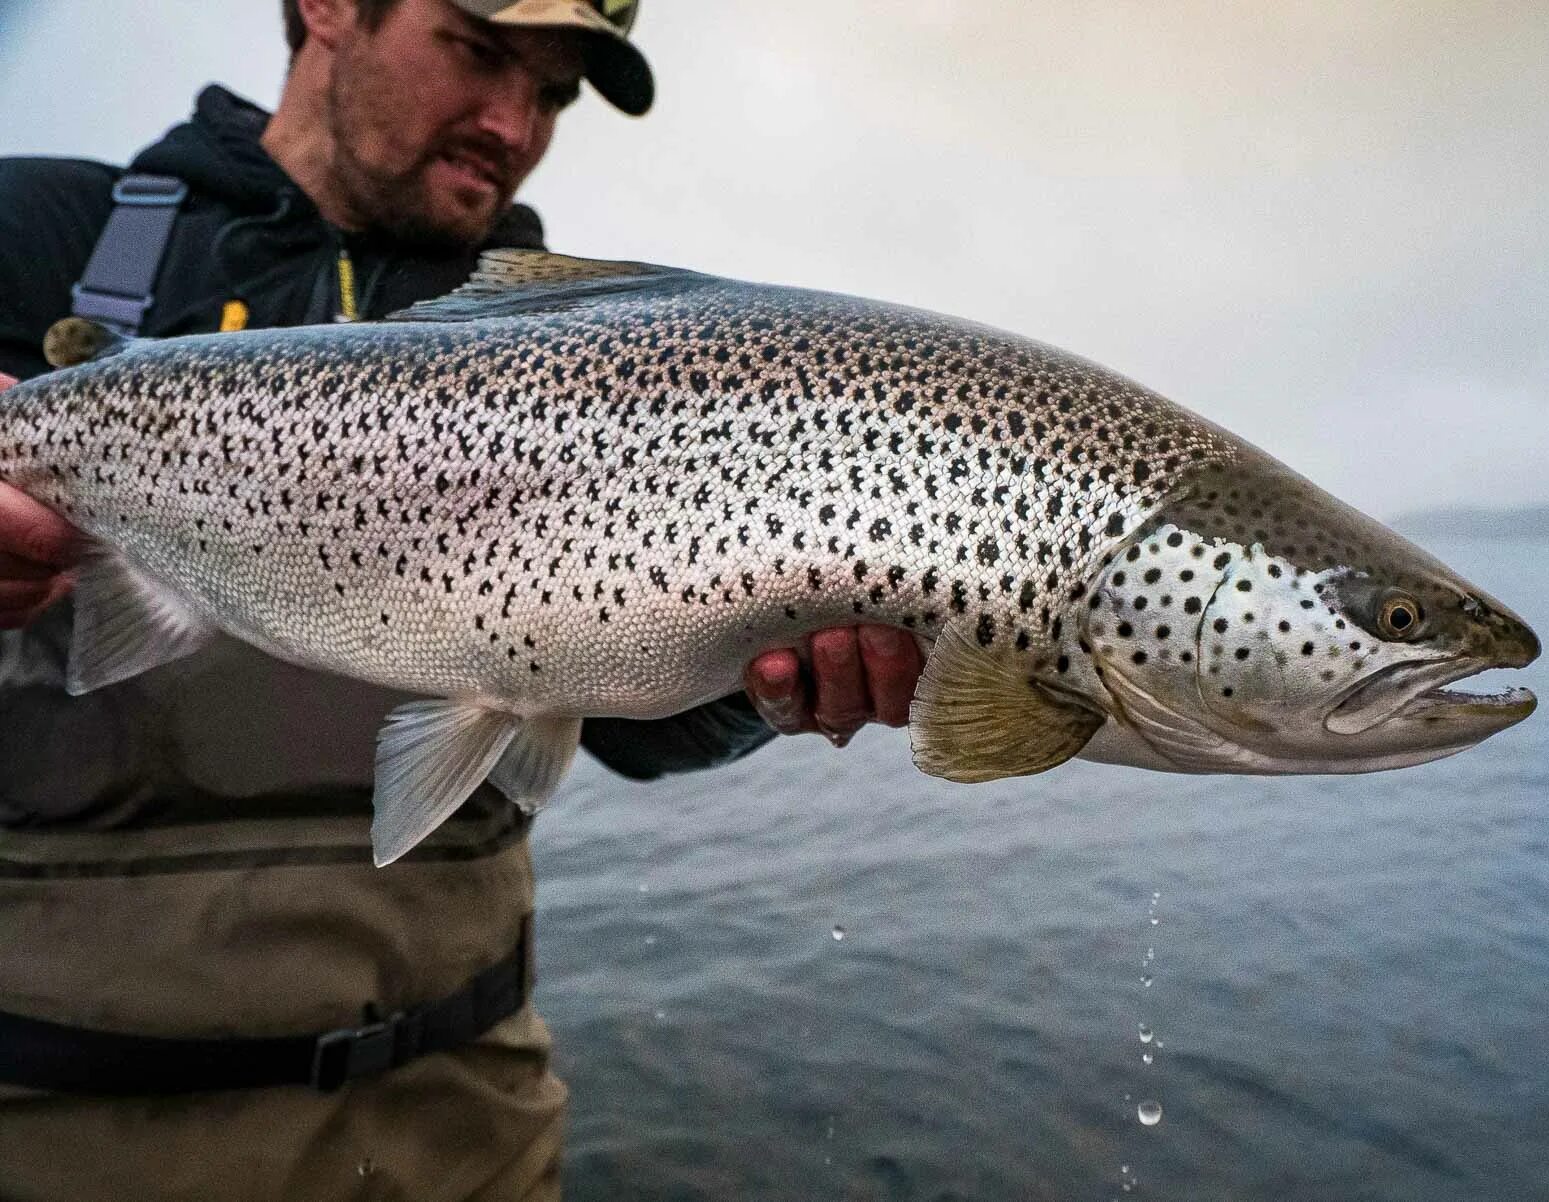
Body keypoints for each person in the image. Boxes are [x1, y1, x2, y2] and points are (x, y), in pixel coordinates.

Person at [0, 2, 921, 1197]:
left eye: (552, 93)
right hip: (56, 1132)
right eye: (480, 52)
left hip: (463, 1130)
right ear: (327, 7)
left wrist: (777, 670)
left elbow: (654, 734)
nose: (514, 122)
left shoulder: (599, 350)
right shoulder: (35, 234)